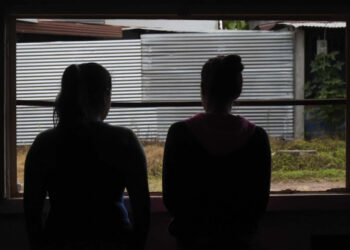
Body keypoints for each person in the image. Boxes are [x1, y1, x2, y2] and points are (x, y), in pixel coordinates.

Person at [24, 63, 150, 250]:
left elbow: (31, 214)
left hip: (59, 240)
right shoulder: (125, 140)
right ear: (106, 95)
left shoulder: (44, 143)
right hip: (115, 239)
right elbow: (143, 213)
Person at [162, 55, 271, 250]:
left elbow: (171, 199)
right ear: (237, 92)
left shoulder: (180, 133)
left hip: (192, 240)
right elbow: (258, 204)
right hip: (240, 241)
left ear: (203, 89)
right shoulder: (257, 137)